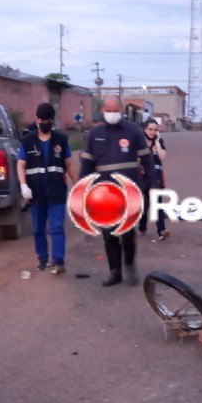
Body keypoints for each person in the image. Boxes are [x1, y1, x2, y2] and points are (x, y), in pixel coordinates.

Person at [80, 95, 156, 287]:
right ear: (103, 110)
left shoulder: (133, 130)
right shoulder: (94, 134)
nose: (112, 114)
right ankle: (115, 271)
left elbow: (147, 160)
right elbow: (86, 166)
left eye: (115, 111)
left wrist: (151, 184)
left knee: (128, 234)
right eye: (109, 111)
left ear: (120, 111)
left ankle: (130, 266)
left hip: (128, 193)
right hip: (104, 196)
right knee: (109, 235)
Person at [17, 103, 76, 275]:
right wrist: (23, 185)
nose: (44, 124)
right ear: (37, 120)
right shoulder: (28, 141)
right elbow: (21, 165)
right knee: (38, 229)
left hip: (56, 190)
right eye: (42, 121)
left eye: (48, 121)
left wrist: (78, 185)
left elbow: (69, 164)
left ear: (52, 120)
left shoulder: (61, 140)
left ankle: (58, 261)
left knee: (57, 227)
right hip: (35, 192)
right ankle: (42, 259)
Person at [138, 119, 169, 241]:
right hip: (143, 177)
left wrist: (157, 142)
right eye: (150, 129)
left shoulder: (159, 141)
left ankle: (161, 231)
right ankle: (142, 228)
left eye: (155, 130)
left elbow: (163, 157)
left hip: (156, 177)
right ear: (144, 129)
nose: (152, 132)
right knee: (144, 205)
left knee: (157, 203)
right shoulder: (139, 142)